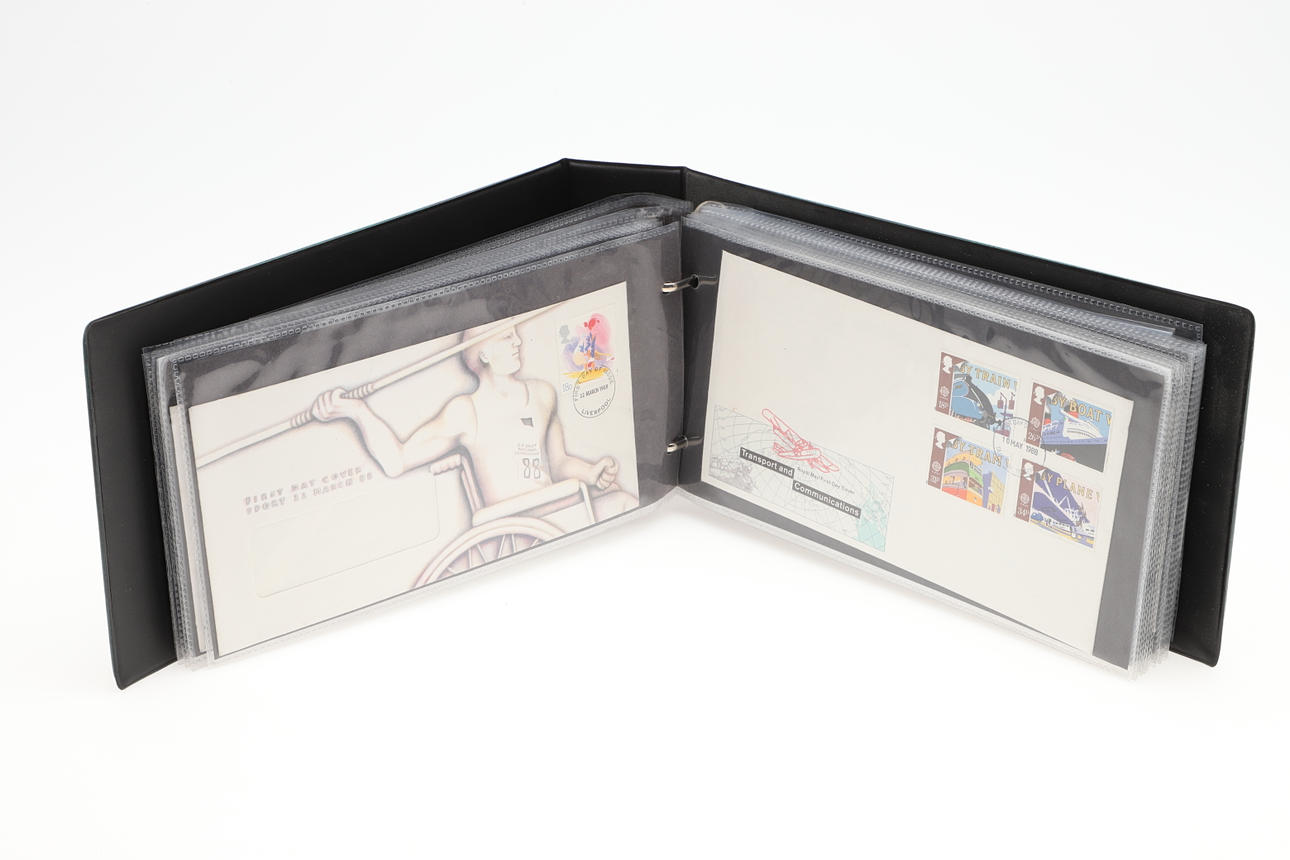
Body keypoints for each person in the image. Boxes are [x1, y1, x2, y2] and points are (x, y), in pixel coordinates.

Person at [310, 321, 636, 523]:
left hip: (556, 506)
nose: (518, 342)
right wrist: (358, 411)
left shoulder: (542, 394)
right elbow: (397, 461)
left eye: (515, 335)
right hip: (516, 524)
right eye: (506, 337)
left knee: (623, 501)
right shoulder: (466, 411)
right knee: (624, 505)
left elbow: (559, 462)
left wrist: (591, 473)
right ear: (483, 354)